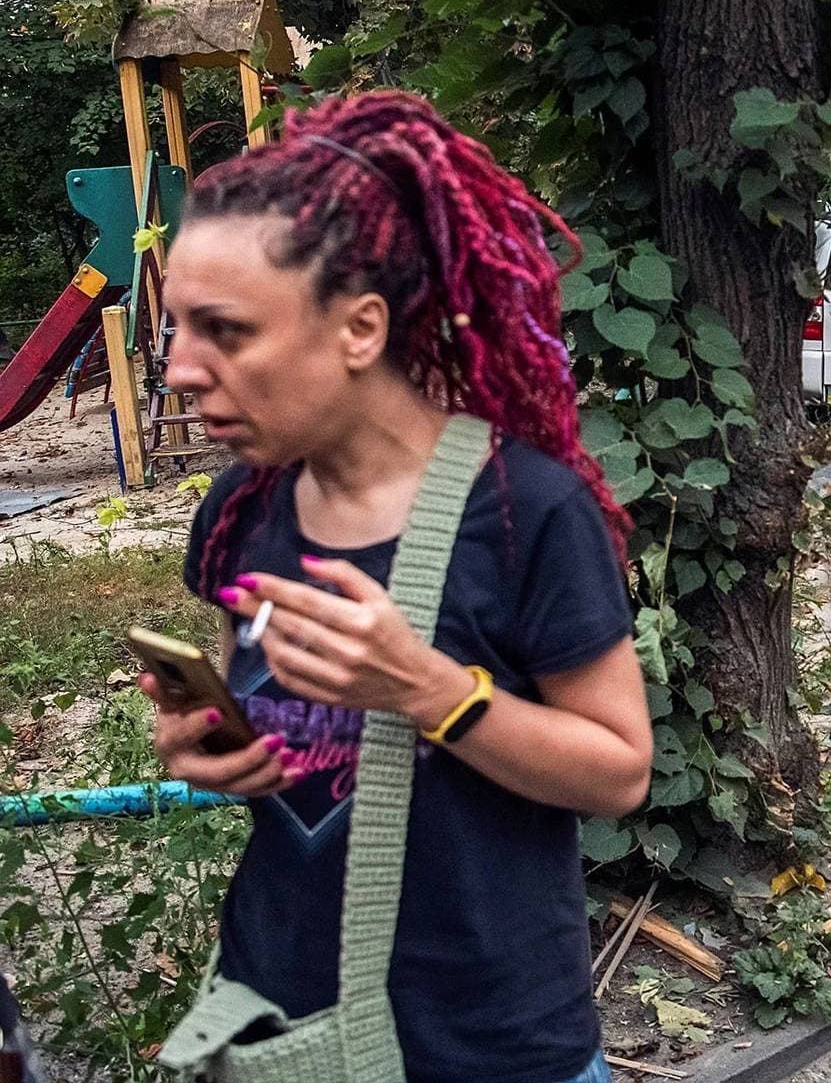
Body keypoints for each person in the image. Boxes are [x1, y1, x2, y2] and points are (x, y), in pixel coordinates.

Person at [142, 91, 654, 1083]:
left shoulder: (525, 512)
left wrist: (430, 691)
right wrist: (211, 742)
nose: (181, 371)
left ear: (360, 328)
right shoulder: (242, 514)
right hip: (281, 1033)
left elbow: (619, 771)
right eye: (175, 330)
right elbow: (292, 730)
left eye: (226, 331)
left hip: (492, 1048)